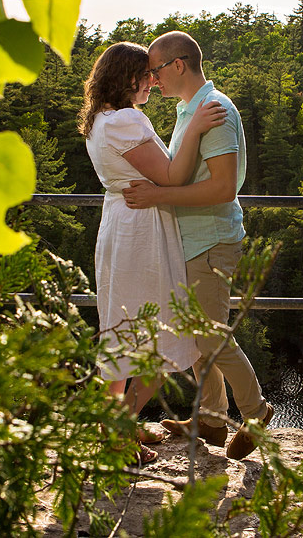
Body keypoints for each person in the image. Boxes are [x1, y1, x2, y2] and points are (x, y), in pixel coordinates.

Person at [123, 30, 274, 461]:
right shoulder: (189, 110)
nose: (151, 81)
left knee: (210, 336)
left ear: (178, 65)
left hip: (210, 242)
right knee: (195, 336)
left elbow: (224, 188)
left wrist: (157, 196)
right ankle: (210, 418)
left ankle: (257, 413)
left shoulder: (215, 109)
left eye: (154, 72)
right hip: (191, 243)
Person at [79, 41, 226, 465]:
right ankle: (118, 435)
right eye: (146, 74)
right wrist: (196, 127)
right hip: (141, 228)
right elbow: (172, 174)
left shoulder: (100, 119)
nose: (153, 80)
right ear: (127, 78)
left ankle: (113, 427)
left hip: (122, 224)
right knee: (156, 332)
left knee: (121, 331)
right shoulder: (126, 120)